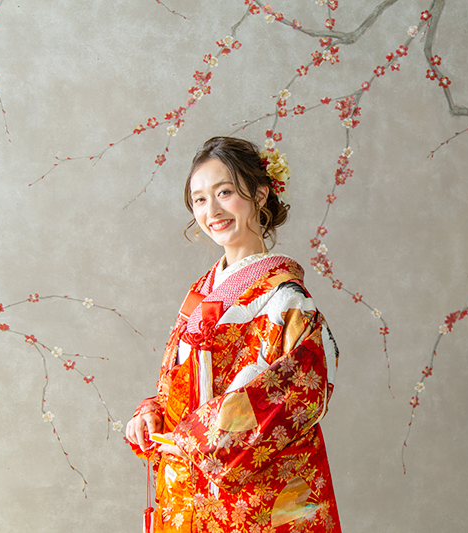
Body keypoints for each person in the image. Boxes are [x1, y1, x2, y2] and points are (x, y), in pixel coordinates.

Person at [125, 136, 341, 532]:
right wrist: (152, 413)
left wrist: (196, 436)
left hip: (255, 497)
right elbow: (178, 385)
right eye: (200, 199)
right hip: (188, 489)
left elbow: (303, 391)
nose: (212, 211)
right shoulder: (201, 293)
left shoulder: (286, 299)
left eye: (225, 192)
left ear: (260, 194)